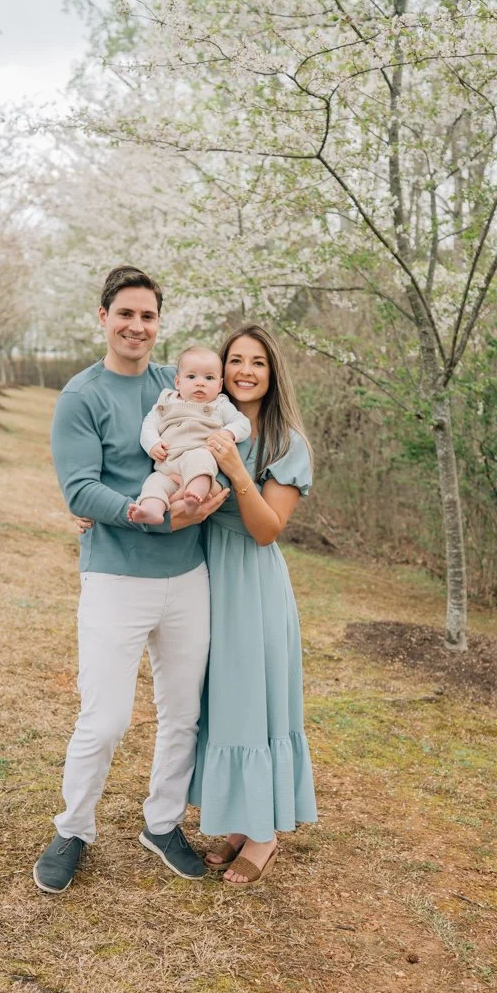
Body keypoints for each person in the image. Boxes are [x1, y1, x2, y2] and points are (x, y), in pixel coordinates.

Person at [32, 265, 230, 894]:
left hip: (187, 577)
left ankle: (163, 823)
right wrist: (144, 516)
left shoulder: (179, 384)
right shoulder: (81, 396)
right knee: (106, 716)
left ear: (158, 324)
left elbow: (227, 428)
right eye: (126, 314)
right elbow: (78, 489)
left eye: (148, 316)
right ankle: (73, 829)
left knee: (183, 713)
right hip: (116, 578)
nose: (136, 326)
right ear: (103, 317)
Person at [188, 323, 318, 886]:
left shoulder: (287, 441)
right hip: (202, 572)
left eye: (257, 362)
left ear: (272, 373)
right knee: (221, 699)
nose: (244, 371)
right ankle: (241, 822)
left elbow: (267, 530)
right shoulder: (203, 417)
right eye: (235, 360)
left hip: (251, 579)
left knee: (253, 699)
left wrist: (239, 470)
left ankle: (263, 838)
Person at [128, 345, 251, 525]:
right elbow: (148, 425)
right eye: (191, 377)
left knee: (200, 460)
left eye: (209, 378)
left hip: (198, 456)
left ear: (219, 385)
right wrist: (153, 443)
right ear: (178, 382)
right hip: (167, 465)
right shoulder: (165, 402)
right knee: (154, 483)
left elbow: (243, 423)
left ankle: (194, 497)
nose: (200, 383)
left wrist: (228, 432)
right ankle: (152, 510)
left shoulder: (221, 405)